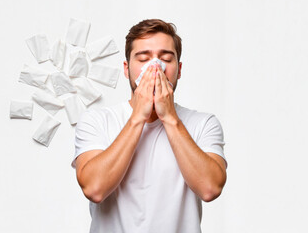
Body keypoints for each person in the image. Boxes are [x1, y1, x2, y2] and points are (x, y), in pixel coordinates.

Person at [71, 19, 228, 233]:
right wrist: (138, 117)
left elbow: (210, 189)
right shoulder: (96, 120)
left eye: (165, 59)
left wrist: (170, 118)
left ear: (179, 70)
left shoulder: (203, 123)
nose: (155, 68)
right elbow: (94, 189)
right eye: (144, 58)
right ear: (127, 69)